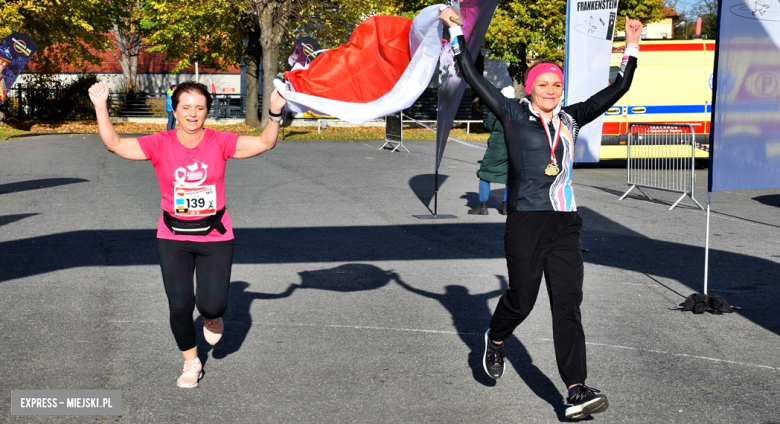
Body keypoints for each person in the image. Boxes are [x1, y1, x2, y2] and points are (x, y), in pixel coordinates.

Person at [439, 7, 643, 420]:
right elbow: (472, 74)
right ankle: (495, 339)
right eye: (542, 84)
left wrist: (632, 44)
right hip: (526, 221)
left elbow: (617, 89)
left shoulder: (573, 118)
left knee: (568, 304)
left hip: (565, 222)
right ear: (530, 89)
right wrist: (457, 31)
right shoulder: (512, 114)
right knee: (523, 299)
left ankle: (575, 389)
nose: (550, 90)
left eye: (556, 84)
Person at [87, 80, 287, 388]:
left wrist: (274, 112)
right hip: (172, 236)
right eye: (186, 108)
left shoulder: (219, 141)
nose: (193, 114)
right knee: (179, 305)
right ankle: (191, 362)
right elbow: (115, 144)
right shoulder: (160, 143)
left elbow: (264, 143)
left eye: (200, 108)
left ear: (207, 112)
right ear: (175, 110)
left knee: (212, 304)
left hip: (216, 235)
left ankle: (211, 316)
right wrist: (101, 107)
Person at [468, 85, 516, 216]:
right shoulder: (519, 109)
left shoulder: (497, 108)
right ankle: (506, 207)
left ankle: (482, 206)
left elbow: (488, 126)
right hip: (514, 145)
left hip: (497, 146)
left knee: (485, 173)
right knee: (509, 176)